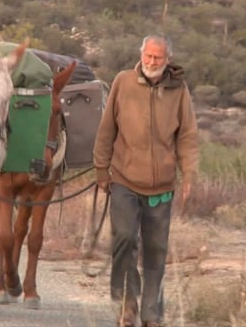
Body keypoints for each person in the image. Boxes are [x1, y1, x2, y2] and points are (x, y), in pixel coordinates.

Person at [93, 33, 199, 327]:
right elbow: (106, 129)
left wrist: (188, 172)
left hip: (162, 186)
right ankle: (128, 305)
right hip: (124, 180)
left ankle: (151, 313)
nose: (152, 62)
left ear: (168, 60)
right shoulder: (123, 82)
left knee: (156, 250)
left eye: (158, 58)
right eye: (148, 56)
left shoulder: (178, 90)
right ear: (141, 55)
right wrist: (101, 169)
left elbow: (187, 136)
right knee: (125, 241)